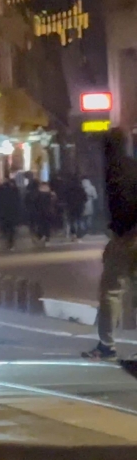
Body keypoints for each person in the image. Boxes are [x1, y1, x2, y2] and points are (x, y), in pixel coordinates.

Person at [83, 130, 137, 361]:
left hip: (125, 239)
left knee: (111, 292)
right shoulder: (131, 165)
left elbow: (121, 205)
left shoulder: (115, 169)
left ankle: (107, 344)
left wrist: (118, 229)